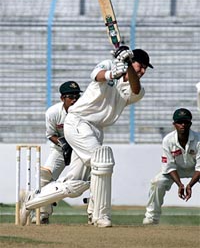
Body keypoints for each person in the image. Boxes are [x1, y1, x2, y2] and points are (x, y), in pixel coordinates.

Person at [20, 46, 153, 227]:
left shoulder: (137, 88)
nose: (143, 71)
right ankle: (100, 216)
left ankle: (30, 201)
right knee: (102, 161)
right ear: (132, 61)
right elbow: (97, 75)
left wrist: (129, 65)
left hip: (96, 130)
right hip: (78, 122)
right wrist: (111, 74)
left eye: (145, 68)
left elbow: (135, 89)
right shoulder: (110, 65)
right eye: (141, 66)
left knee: (75, 185)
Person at [31, 81, 83, 224]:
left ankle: (94, 214)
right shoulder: (53, 112)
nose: (74, 100)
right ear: (62, 98)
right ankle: (42, 214)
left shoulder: (85, 111)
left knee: (92, 178)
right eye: (70, 97)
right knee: (44, 177)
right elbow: (50, 134)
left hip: (81, 151)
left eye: (77, 96)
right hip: (60, 150)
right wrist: (63, 144)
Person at [143, 108, 200, 225]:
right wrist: (180, 184)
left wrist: (190, 185)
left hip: (195, 169)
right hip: (176, 170)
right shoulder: (168, 140)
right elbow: (169, 167)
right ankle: (152, 217)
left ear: (190, 123)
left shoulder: (199, 140)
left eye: (186, 122)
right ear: (174, 124)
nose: (183, 125)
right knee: (157, 182)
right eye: (179, 122)